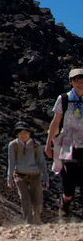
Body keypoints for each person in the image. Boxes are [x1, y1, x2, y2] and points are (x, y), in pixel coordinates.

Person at [47, 68, 83, 218]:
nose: (80, 82)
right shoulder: (64, 99)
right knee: (70, 178)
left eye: (82, 79)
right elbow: (56, 122)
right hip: (69, 143)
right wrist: (49, 144)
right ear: (71, 82)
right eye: (76, 79)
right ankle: (66, 199)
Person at [7, 123, 45, 225]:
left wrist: (46, 178)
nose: (23, 135)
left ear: (29, 133)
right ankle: (29, 222)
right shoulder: (13, 145)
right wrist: (9, 178)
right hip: (20, 175)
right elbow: (11, 162)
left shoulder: (36, 145)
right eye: (20, 133)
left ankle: (37, 219)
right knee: (25, 198)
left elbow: (42, 162)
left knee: (37, 199)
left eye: (25, 133)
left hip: (35, 175)